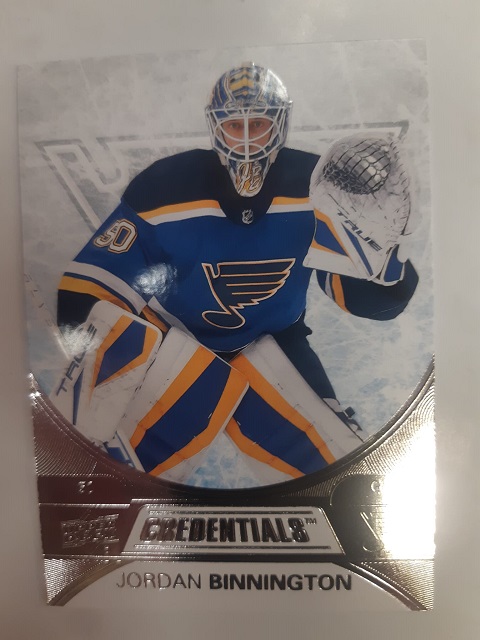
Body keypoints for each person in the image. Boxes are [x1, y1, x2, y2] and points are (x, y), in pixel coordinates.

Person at [55, 62, 418, 484]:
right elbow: (89, 289)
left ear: (279, 125)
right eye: (234, 125)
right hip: (176, 345)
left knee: (337, 476)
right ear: (216, 127)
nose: (246, 139)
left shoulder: (318, 186)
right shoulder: (163, 186)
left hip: (275, 342)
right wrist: (95, 372)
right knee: (114, 481)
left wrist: (387, 257)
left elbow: (362, 298)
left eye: (258, 124)